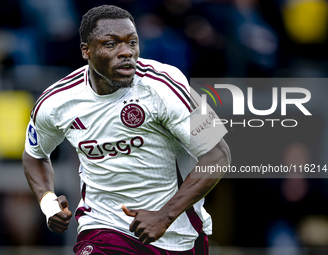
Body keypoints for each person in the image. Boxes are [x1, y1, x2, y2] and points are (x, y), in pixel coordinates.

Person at [22, 5, 230, 255]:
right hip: (102, 228)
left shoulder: (166, 86)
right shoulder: (56, 102)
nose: (126, 52)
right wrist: (48, 203)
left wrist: (164, 216)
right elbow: (34, 154)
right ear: (86, 51)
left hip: (176, 236)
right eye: (111, 44)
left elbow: (218, 155)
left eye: (132, 42)